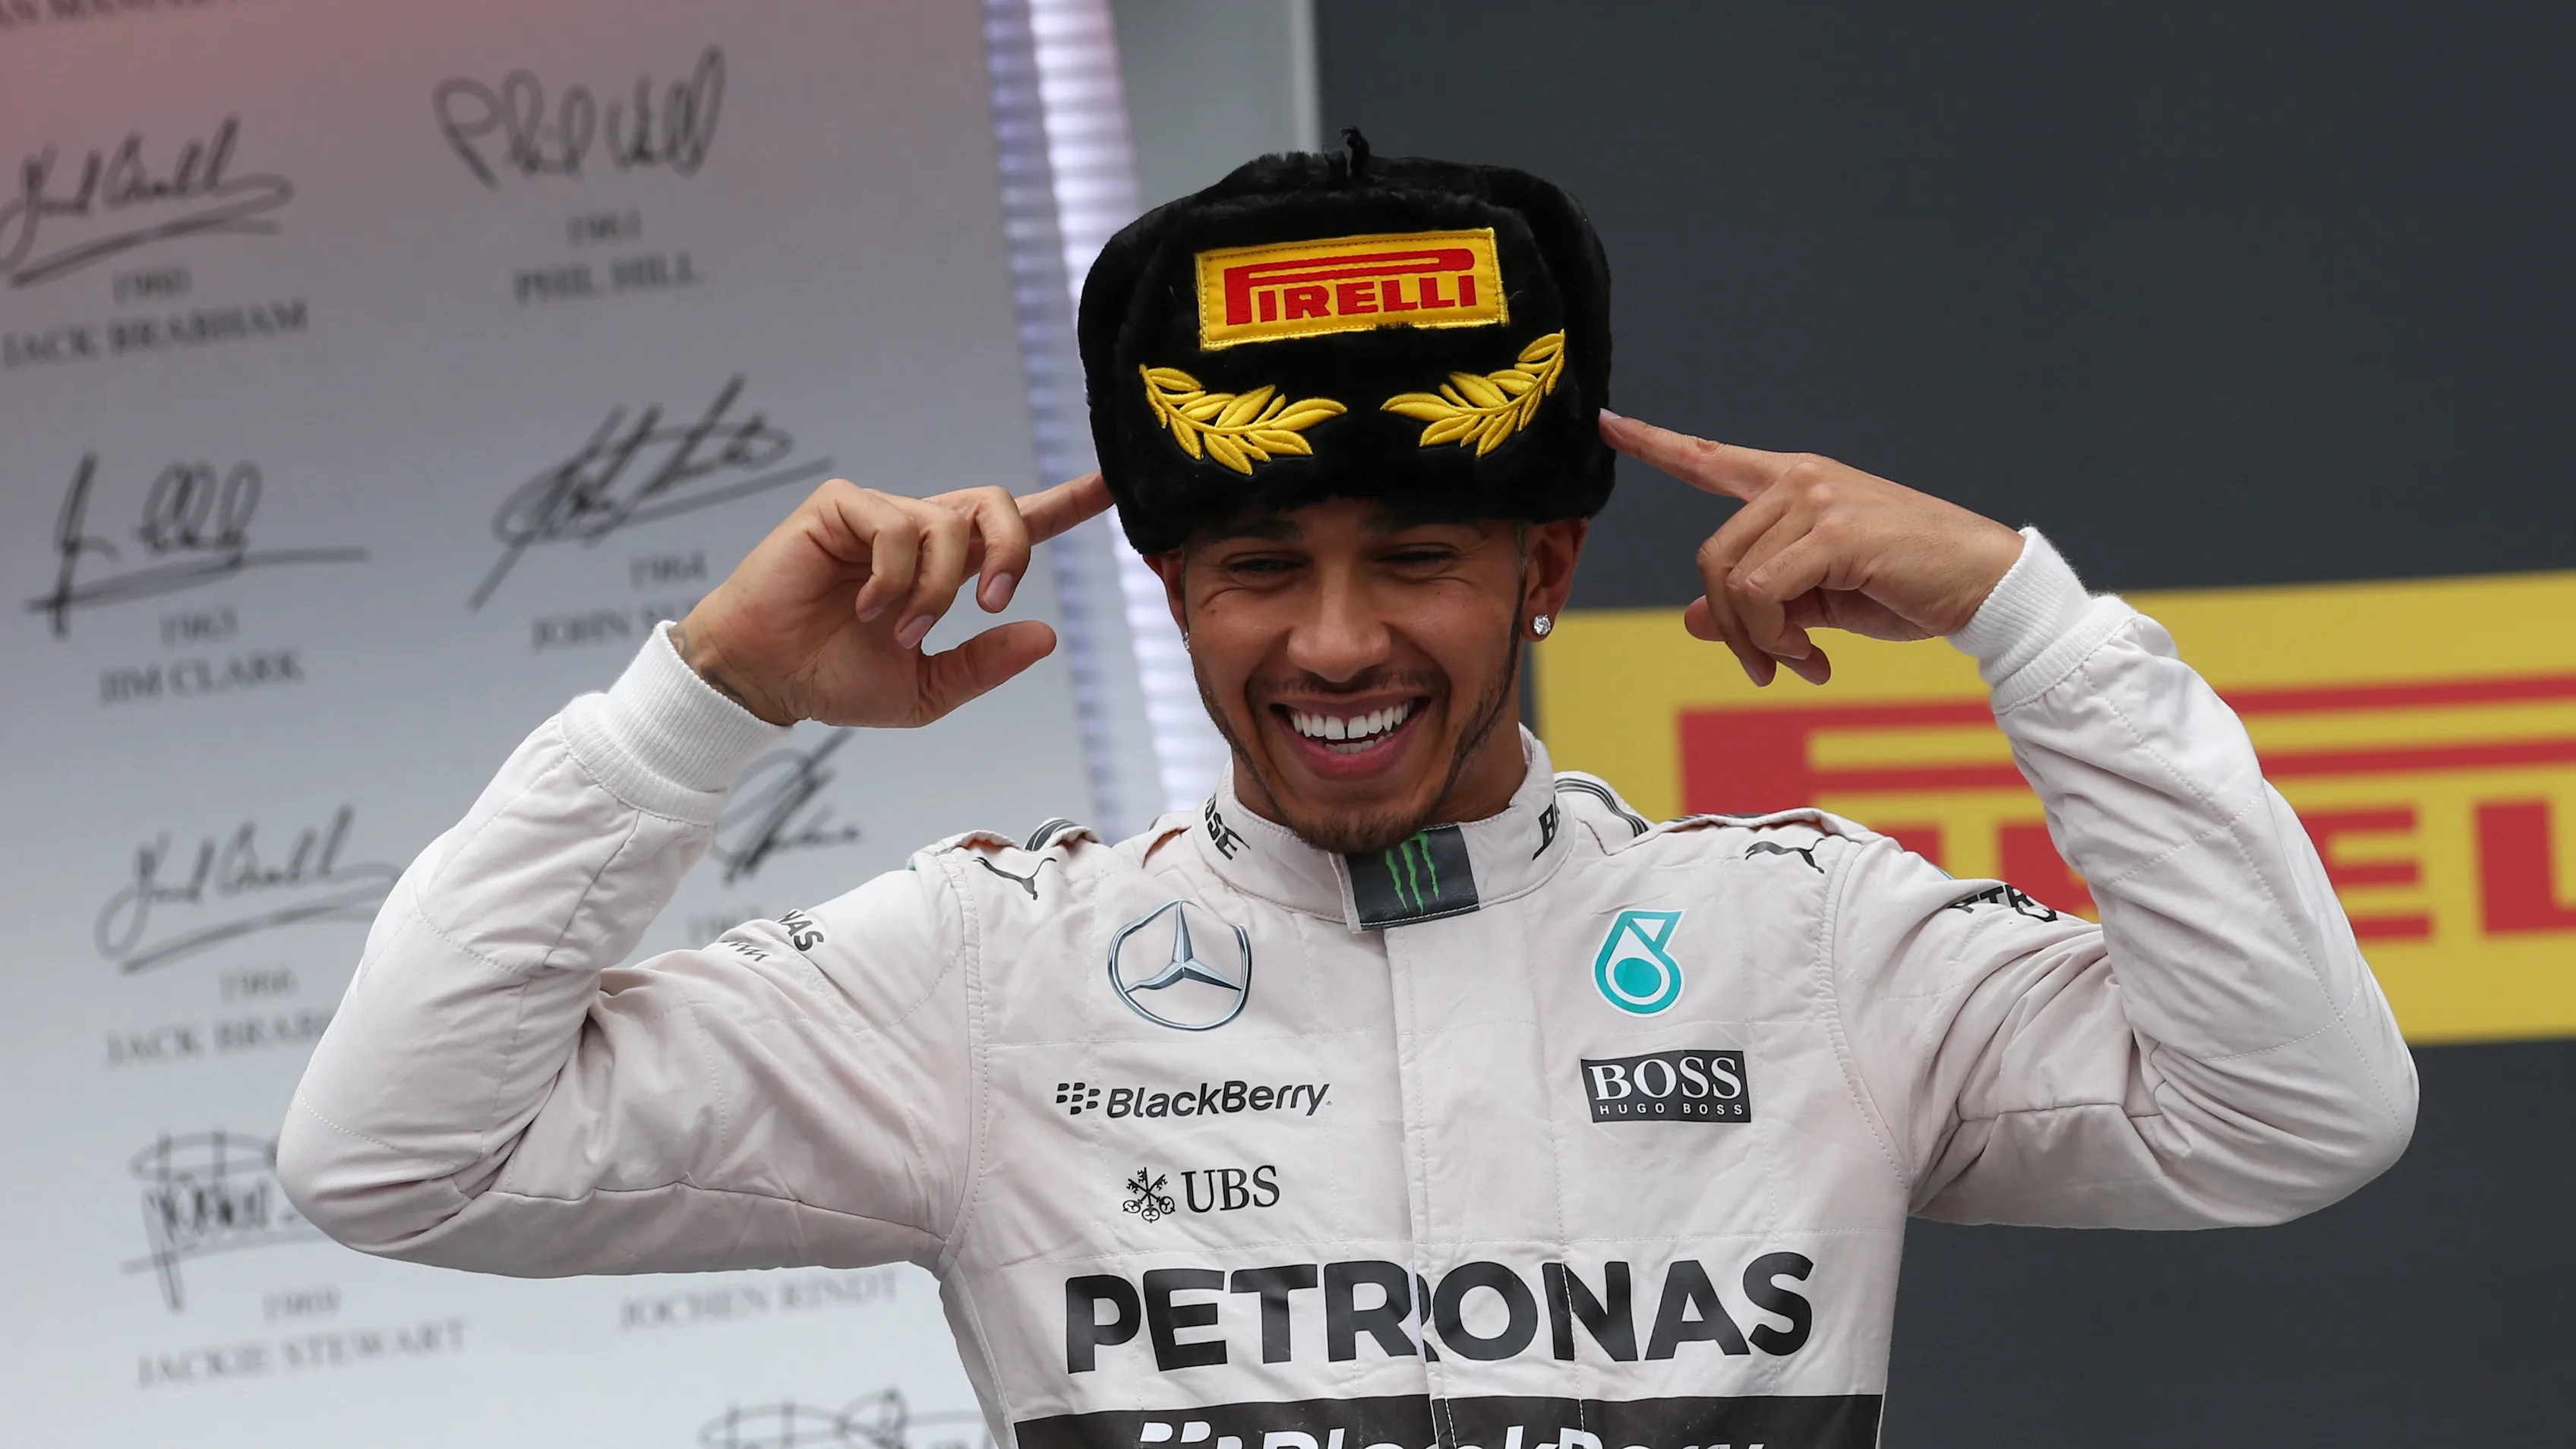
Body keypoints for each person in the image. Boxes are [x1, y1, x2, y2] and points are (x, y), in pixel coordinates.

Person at [279, 141, 2416, 1449]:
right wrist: (702, 707)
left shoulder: (1807, 939)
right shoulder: (987, 974)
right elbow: (395, 1158)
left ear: (1545, 568)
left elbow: (2295, 1115)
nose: (1331, 642)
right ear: (1168, 592)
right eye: (1254, 569)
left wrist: (2031, 619)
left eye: (1415, 558)